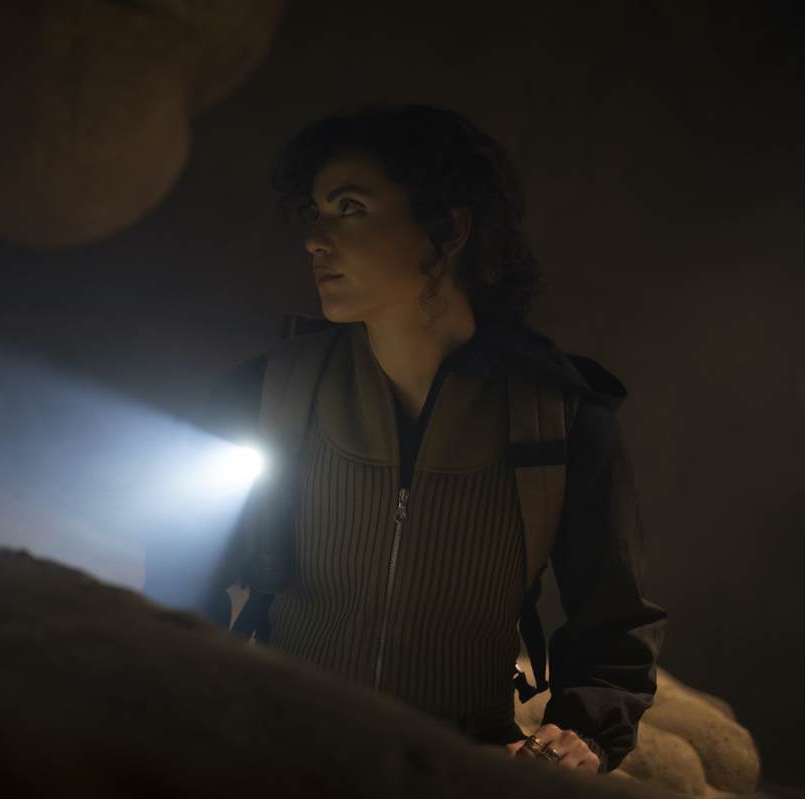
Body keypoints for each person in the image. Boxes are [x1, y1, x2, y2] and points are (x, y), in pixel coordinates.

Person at [148, 104, 666, 774]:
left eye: (350, 208)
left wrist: (580, 736)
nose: (315, 240)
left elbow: (615, 626)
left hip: (460, 766)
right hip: (281, 748)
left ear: (450, 229)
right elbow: (183, 575)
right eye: (314, 211)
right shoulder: (266, 393)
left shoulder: (560, 421)